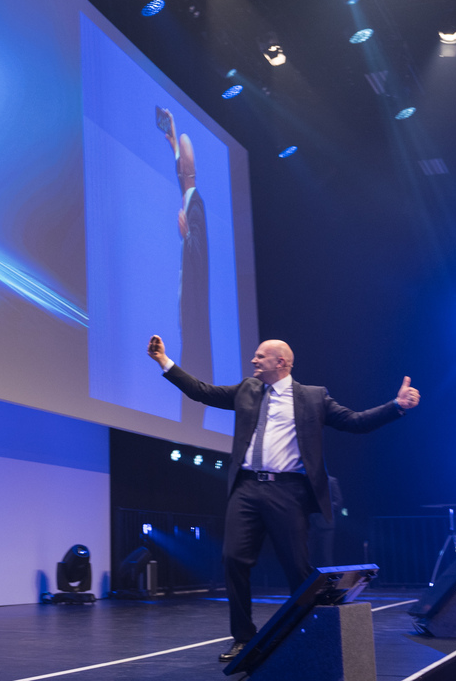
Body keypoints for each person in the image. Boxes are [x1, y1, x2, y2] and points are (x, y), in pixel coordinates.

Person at [146, 335, 419, 660]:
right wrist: (164, 361)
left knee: (297, 567)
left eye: (260, 356)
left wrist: (396, 406)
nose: (253, 361)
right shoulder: (247, 389)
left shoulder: (313, 397)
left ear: (281, 363)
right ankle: (243, 638)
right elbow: (201, 391)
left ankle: (308, 633)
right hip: (246, 488)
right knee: (233, 559)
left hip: (288, 491)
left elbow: (355, 422)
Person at [158, 108, 211, 384]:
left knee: (192, 365)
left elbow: (199, 257)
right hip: (189, 312)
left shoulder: (196, 205)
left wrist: (187, 235)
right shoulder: (190, 195)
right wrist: (174, 144)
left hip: (193, 312)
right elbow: (184, 177)